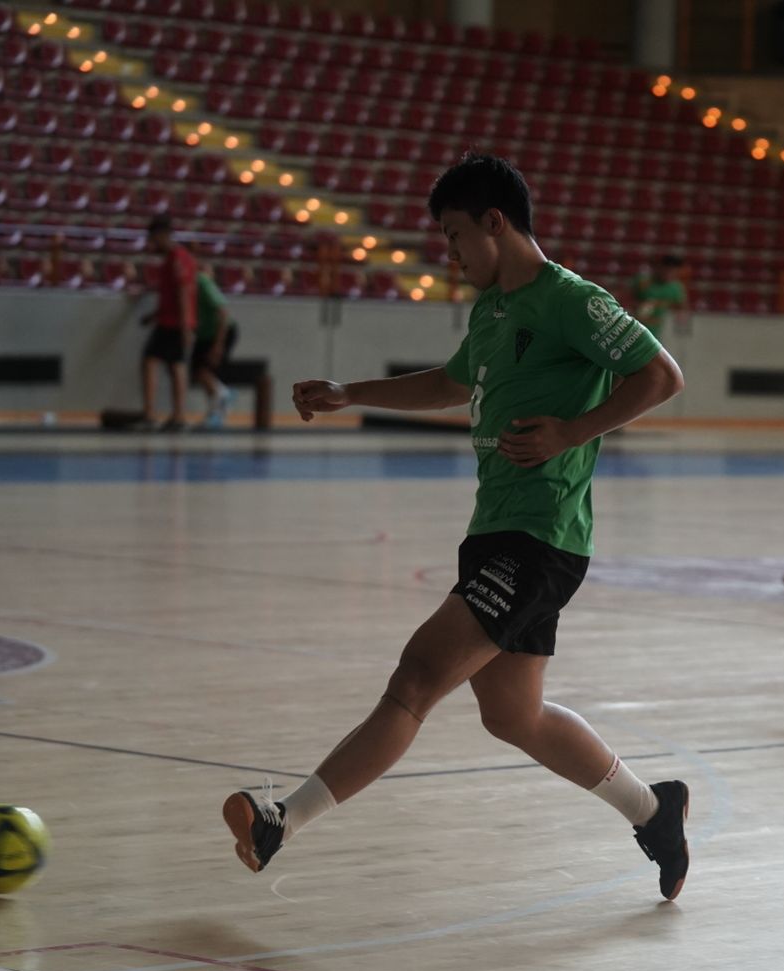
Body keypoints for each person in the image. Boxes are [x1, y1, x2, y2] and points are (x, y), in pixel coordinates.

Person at [221, 154, 693, 900]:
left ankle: (281, 821)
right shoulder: (492, 311)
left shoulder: (571, 300)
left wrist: (572, 431)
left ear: (494, 223)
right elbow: (448, 383)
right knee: (513, 715)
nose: (450, 254)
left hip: (540, 536)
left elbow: (662, 375)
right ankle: (655, 810)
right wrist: (351, 393)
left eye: (453, 236)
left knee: (416, 677)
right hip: (496, 529)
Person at [139, 215, 197, 431]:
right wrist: (153, 315)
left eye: (154, 238)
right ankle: (174, 415)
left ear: (164, 235)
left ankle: (166, 415)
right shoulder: (169, 261)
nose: (152, 244)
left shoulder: (178, 258)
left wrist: (185, 327)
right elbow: (170, 296)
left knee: (164, 363)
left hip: (174, 323)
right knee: (171, 365)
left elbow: (183, 293)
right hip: (167, 320)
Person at [189, 270, 235, 429]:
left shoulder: (202, 282)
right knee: (197, 371)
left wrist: (218, 344)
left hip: (218, 332)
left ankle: (222, 394)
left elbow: (223, 312)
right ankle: (215, 410)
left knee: (203, 370)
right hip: (204, 334)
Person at [631, 253, 688, 340]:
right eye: (667, 269)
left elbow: (682, 307)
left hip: (655, 331)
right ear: (660, 267)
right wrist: (638, 306)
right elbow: (626, 298)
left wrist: (680, 315)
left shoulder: (675, 288)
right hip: (633, 328)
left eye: (674, 270)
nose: (670, 273)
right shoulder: (644, 281)